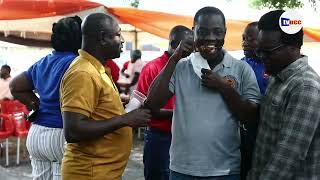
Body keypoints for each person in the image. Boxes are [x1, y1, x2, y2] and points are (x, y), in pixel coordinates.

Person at [145, 6, 260, 180]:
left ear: (225, 33)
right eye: (203, 32)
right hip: (182, 169)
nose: (210, 38)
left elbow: (251, 117)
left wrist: (223, 87)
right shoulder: (181, 66)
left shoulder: (241, 69)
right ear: (193, 32)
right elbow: (152, 103)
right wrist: (175, 58)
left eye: (217, 32)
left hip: (225, 171)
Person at [60, 13, 151, 179]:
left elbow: (98, 112)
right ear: (102, 38)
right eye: (117, 34)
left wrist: (122, 106)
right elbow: (73, 130)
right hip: (89, 173)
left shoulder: (97, 69)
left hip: (103, 172)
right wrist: (125, 119)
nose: (122, 40)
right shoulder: (83, 73)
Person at [247, 10, 320, 180]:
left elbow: (287, 157)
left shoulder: (305, 87)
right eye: (259, 51)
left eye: (268, 52)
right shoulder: (277, 77)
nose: (262, 57)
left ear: (293, 47)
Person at [9, 16, 82, 180]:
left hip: (36, 133)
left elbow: (15, 86)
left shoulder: (43, 62)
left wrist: (35, 104)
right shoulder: (77, 64)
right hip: (61, 134)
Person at [137, 25, 193, 180]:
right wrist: (180, 113)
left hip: (186, 138)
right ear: (175, 44)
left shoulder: (191, 66)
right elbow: (146, 109)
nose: (193, 51)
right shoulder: (152, 68)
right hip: (160, 137)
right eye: (189, 46)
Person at [239, 21, 268, 180]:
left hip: (265, 128)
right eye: (243, 38)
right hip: (244, 129)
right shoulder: (240, 65)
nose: (245, 43)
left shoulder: (272, 65)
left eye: (251, 39)